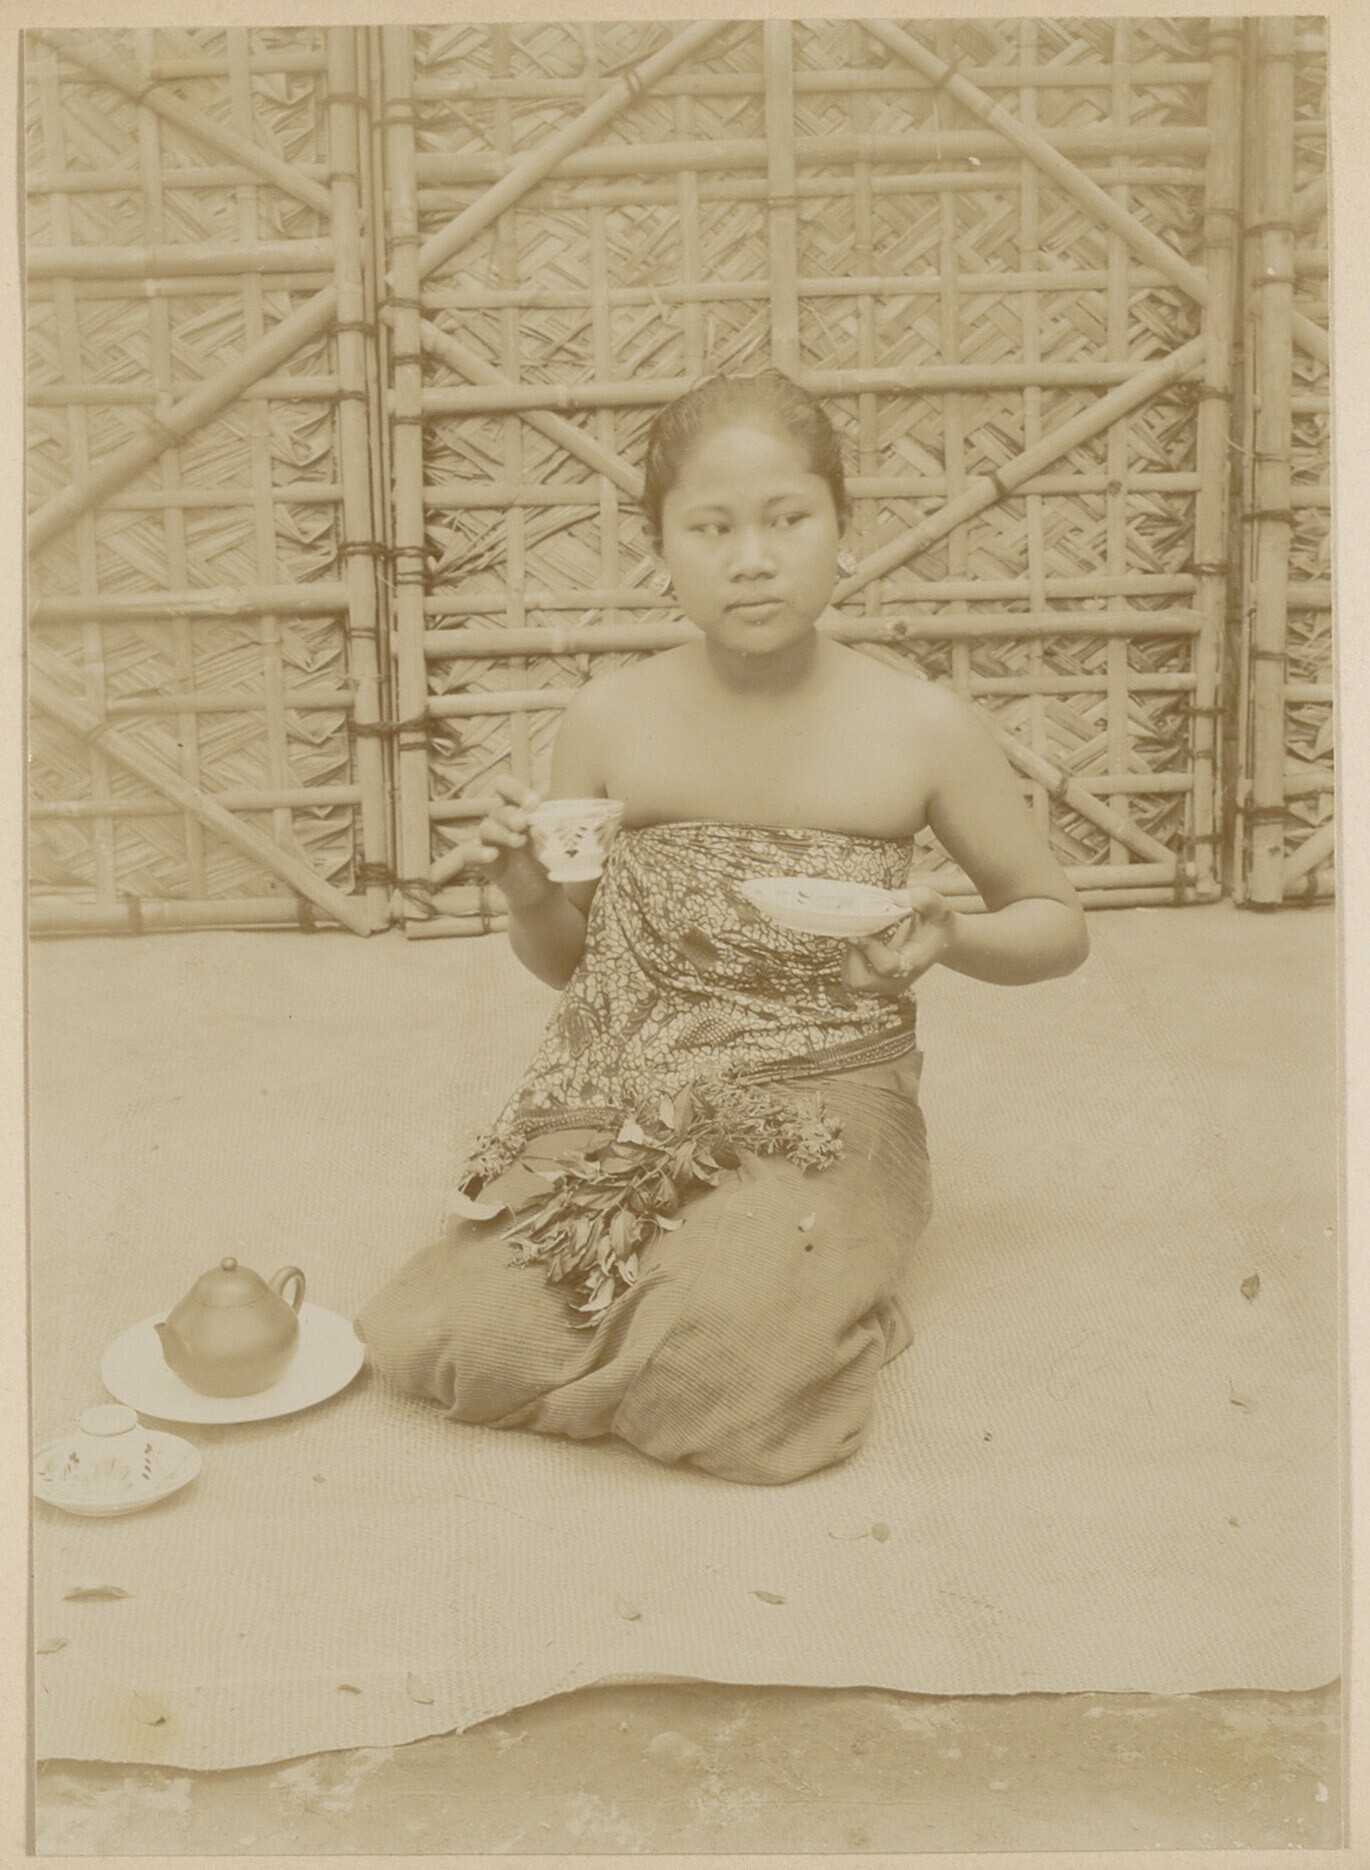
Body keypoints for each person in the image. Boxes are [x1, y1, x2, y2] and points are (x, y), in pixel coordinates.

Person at [357, 369, 1088, 1485]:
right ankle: (754, 1295)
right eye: (711, 527)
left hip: (824, 1089)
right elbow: (571, 967)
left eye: (787, 519)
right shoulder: (609, 718)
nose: (753, 558)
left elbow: (1056, 925)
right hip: (621, 1076)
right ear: (659, 546)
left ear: (841, 529)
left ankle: (797, 1286)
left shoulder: (919, 725)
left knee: (733, 1383)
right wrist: (526, 893)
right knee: (439, 1338)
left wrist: (955, 940)